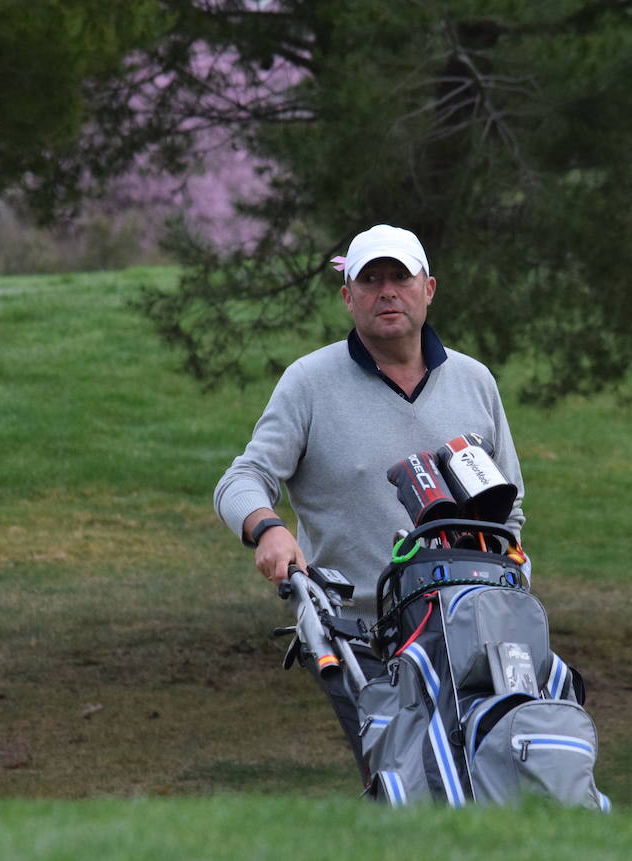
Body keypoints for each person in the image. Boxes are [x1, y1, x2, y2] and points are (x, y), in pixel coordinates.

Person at [213, 223, 526, 780]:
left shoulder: (476, 382)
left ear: (428, 289)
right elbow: (244, 477)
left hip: (474, 628)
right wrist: (268, 529)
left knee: (491, 776)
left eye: (400, 278)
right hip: (361, 635)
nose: (387, 291)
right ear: (348, 296)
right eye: (371, 279)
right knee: (406, 780)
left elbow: (512, 507)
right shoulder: (309, 382)